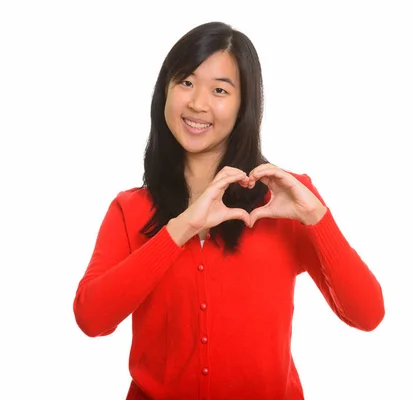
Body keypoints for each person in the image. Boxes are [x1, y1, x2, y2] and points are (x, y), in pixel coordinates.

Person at [73, 21, 385, 400]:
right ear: (164, 92)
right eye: (185, 82)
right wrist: (182, 228)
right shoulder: (130, 208)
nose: (197, 103)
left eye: (219, 90)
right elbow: (92, 319)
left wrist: (319, 219)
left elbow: (367, 314)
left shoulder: (284, 199)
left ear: (244, 105)